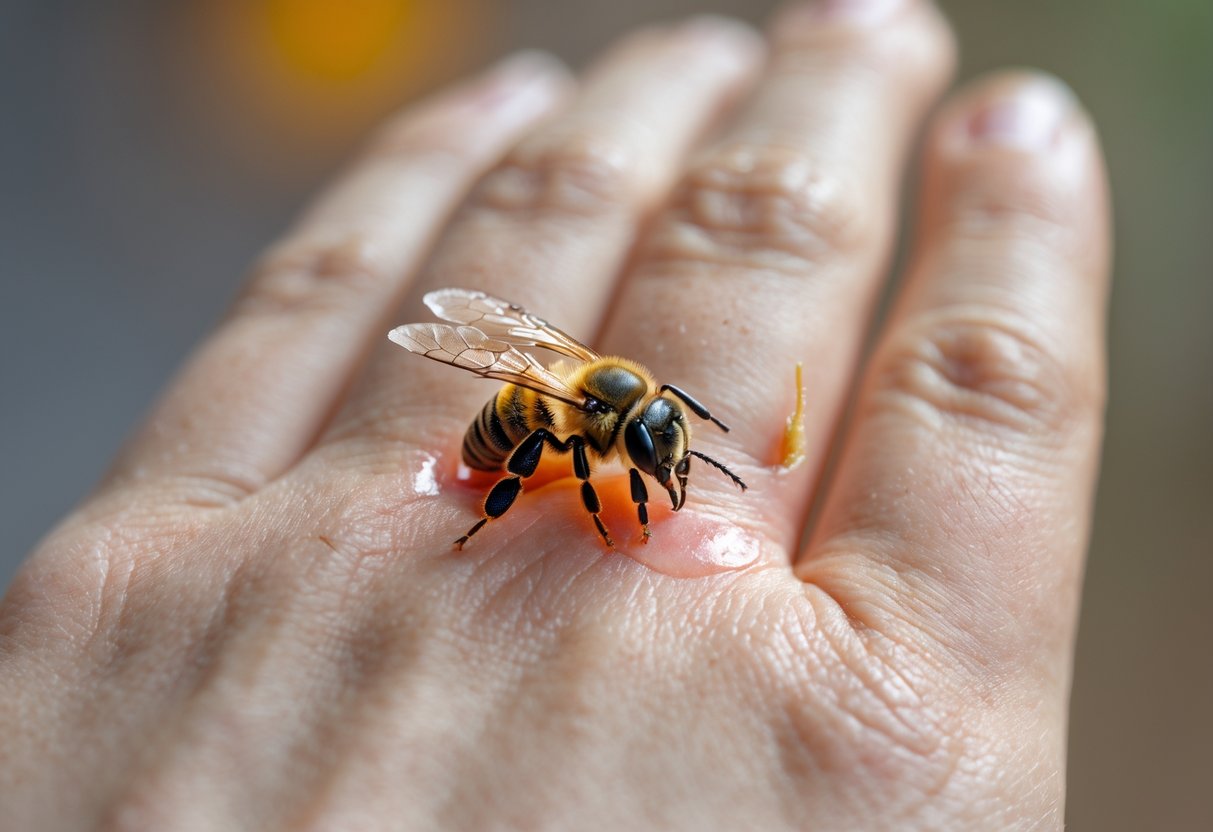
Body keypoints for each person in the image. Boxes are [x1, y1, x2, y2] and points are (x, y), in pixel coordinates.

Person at [0, 1, 1110, 828]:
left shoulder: (633, 409)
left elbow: (634, 426)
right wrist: (489, 515)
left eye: (662, 447)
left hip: (542, 395)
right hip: (508, 426)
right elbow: (563, 449)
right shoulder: (584, 431)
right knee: (538, 449)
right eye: (654, 447)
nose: (656, 462)